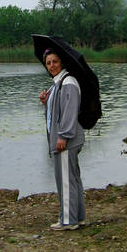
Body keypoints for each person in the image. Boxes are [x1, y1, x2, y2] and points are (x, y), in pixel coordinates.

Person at [40, 50, 84, 230]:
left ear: (62, 63)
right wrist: (46, 102)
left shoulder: (68, 82)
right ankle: (78, 217)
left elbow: (70, 111)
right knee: (72, 179)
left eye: (55, 62)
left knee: (66, 180)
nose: (51, 65)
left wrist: (63, 136)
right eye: (48, 62)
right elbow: (56, 112)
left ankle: (68, 220)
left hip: (67, 141)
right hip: (63, 139)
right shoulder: (56, 85)